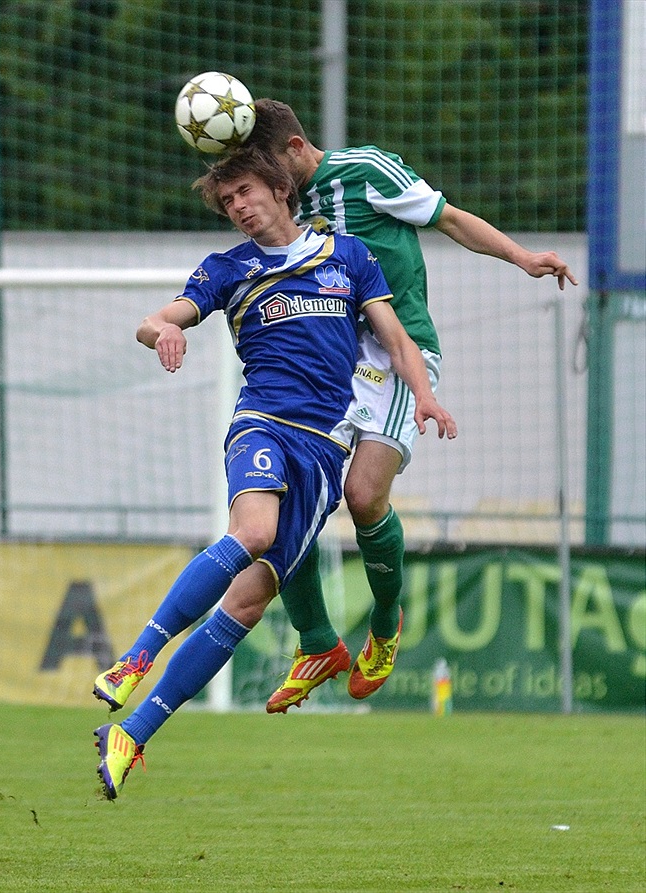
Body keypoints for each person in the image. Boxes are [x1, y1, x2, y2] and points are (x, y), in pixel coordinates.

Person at [91, 146, 457, 799]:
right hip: (261, 423)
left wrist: (422, 393)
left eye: (244, 192)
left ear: (281, 187)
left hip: (324, 449)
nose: (237, 207)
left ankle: (132, 734)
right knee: (253, 531)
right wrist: (161, 333)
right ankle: (135, 659)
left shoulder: (348, 257)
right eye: (227, 201)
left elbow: (395, 336)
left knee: (249, 600)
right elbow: (160, 317)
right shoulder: (229, 269)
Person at [242, 99, 579, 713]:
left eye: (274, 175)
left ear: (294, 149)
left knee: (364, 495)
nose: (269, 191)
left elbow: (448, 219)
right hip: (328, 360)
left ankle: (386, 624)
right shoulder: (280, 204)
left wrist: (523, 257)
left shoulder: (367, 170)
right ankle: (316, 641)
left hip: (399, 353)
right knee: (289, 498)